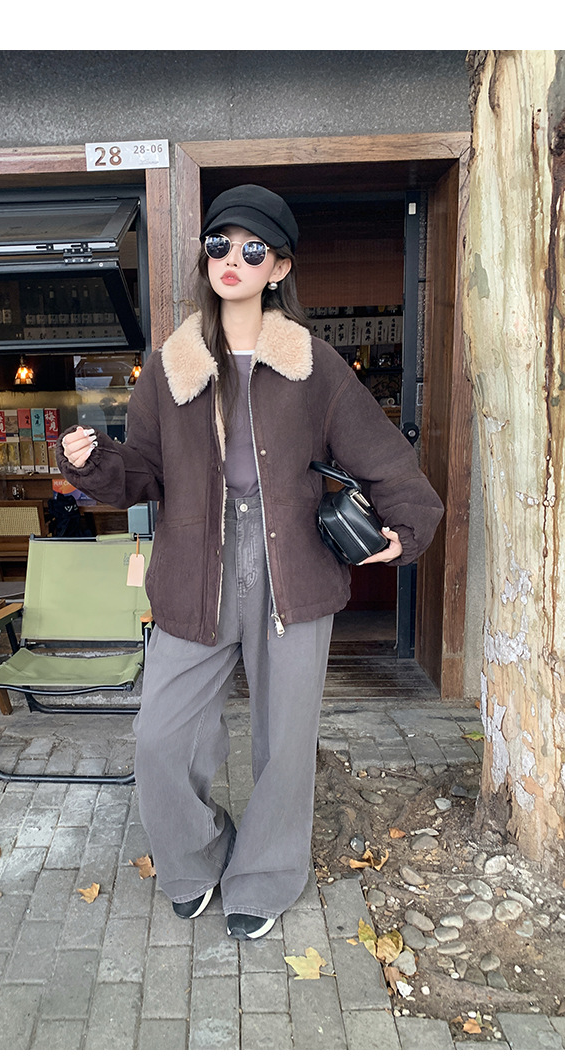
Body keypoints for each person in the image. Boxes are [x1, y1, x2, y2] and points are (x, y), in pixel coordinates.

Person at [57, 185, 443, 941]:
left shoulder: (314, 365)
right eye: (219, 245)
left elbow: (382, 453)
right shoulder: (170, 364)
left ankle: (264, 876)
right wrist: (92, 462)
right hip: (192, 569)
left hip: (291, 568)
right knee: (161, 738)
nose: (232, 260)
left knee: (285, 741)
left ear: (280, 267)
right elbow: (143, 472)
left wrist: (410, 520)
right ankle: (196, 855)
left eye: (252, 249)